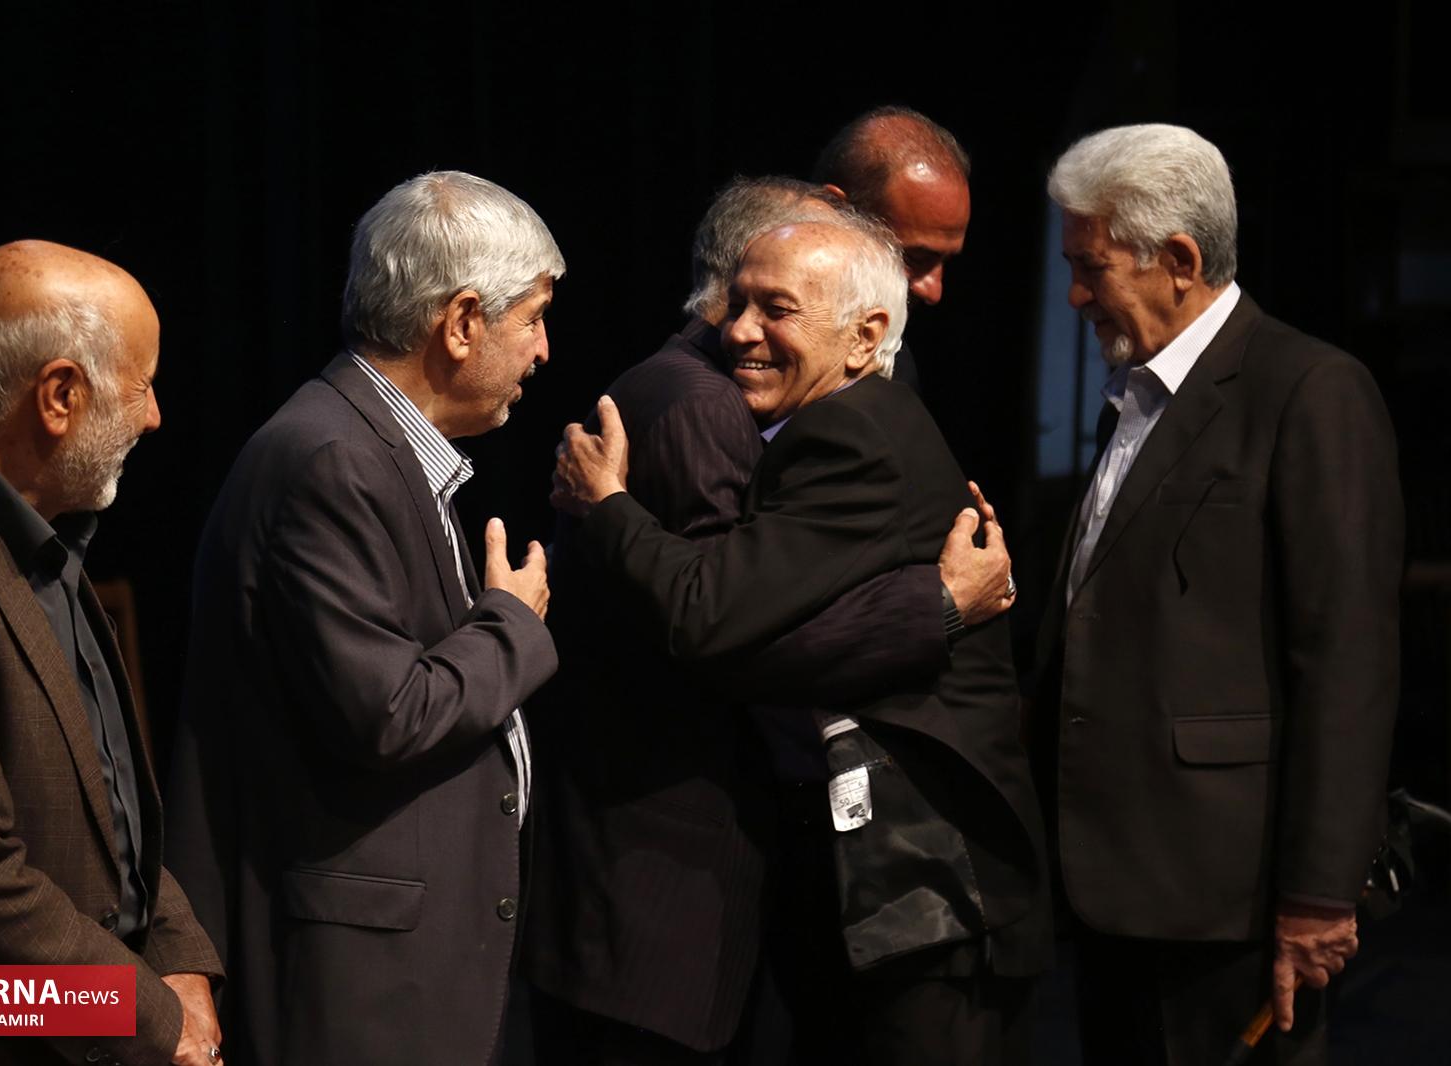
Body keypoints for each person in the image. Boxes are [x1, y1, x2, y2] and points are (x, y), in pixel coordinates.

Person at [523, 177, 1016, 1064]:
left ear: (864, 336)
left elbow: (712, 615)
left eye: (774, 310)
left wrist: (608, 507)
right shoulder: (727, 403)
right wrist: (936, 606)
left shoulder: (847, 433)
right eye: (737, 302)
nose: (739, 329)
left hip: (923, 883)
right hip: (869, 885)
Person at [165, 171, 560, 1066]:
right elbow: (387, 712)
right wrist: (513, 621)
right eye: (533, 317)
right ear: (461, 323)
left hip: (415, 957)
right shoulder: (331, 460)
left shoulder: (384, 451)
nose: (543, 349)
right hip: (363, 984)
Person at [1035, 123, 1404, 1065]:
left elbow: (1347, 662)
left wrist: (1318, 895)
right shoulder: (1133, 391)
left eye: (1090, 267)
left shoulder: (1309, 390)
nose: (1074, 294)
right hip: (1112, 889)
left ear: (1179, 261)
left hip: (1229, 903)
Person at [0, 240, 224, 1066]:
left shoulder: (38, 532)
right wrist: (154, 1020)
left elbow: (109, 805)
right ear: (59, 396)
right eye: (141, 384)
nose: (155, 416)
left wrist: (178, 953)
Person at [814, 105, 972, 389]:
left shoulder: (897, 366)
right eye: (915, 257)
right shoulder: (744, 346)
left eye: (944, 261)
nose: (934, 292)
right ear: (835, 211)